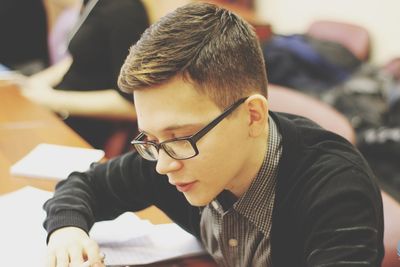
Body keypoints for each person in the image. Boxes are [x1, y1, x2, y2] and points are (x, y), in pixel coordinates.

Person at [43, 3, 384, 267]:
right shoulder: (173, 154)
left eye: (179, 137)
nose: (162, 165)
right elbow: (85, 185)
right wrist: (67, 231)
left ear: (253, 116)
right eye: (150, 139)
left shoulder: (336, 192)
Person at [23, 0, 191, 151]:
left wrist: (51, 99)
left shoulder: (124, 12)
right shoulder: (97, 4)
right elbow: (79, 58)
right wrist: (33, 84)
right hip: (61, 112)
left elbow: (130, 103)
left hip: (84, 129)